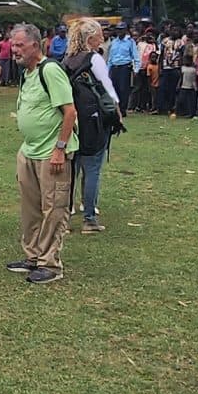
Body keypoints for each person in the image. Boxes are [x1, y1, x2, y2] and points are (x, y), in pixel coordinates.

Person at [4, 23, 74, 285]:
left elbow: (70, 111)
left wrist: (60, 149)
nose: (15, 50)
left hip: (50, 152)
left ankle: (50, 264)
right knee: (30, 207)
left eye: (20, 45)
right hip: (29, 150)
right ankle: (32, 256)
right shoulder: (27, 73)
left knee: (53, 207)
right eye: (13, 45)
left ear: (36, 44)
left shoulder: (51, 70)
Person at [65, 19, 119, 234]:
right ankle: (89, 219)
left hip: (73, 120)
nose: (103, 38)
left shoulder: (67, 60)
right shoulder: (94, 59)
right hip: (93, 121)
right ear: (90, 38)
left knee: (71, 171)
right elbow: (108, 89)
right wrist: (117, 113)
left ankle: (65, 218)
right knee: (93, 168)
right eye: (99, 35)